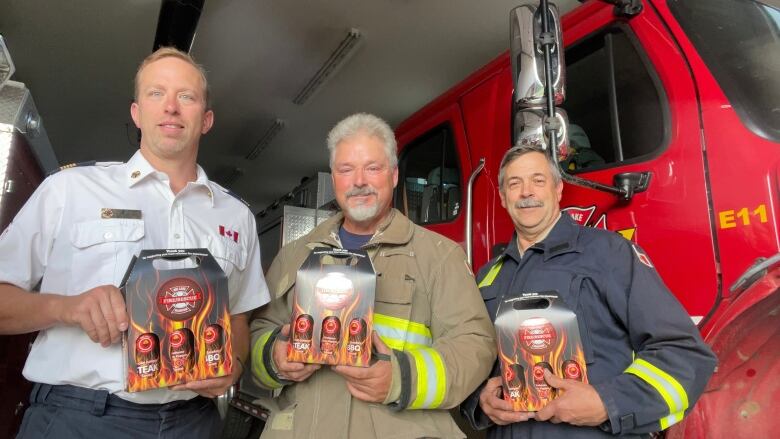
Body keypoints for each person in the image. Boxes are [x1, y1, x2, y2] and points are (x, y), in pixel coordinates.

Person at [0, 47, 269, 438]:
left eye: (187, 96)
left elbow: (240, 316)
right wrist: (66, 307)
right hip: (80, 419)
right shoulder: (69, 190)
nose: (171, 107)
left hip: (193, 423)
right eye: (156, 93)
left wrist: (237, 365)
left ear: (206, 120)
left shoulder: (236, 217)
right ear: (136, 112)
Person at [249, 113, 496, 438]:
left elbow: (474, 345)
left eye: (373, 168)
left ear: (394, 175)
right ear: (334, 177)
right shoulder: (295, 255)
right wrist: (274, 357)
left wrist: (400, 378)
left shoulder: (439, 256)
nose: (359, 181)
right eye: (346, 169)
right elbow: (258, 332)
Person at [461, 145, 717, 438]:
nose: (527, 192)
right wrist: (481, 403)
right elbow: (470, 364)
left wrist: (607, 403)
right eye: (514, 184)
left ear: (558, 190)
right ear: (504, 199)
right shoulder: (487, 277)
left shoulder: (609, 253)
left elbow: (685, 354)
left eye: (538, 180)